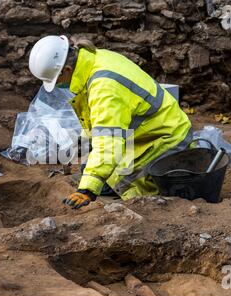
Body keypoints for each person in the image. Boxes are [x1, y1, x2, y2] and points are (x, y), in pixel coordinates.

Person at [29, 35, 193, 210]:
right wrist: (80, 146)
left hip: (165, 139)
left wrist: (87, 190)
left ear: (67, 70)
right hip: (144, 133)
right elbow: (100, 121)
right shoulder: (94, 59)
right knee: (90, 169)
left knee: (116, 185)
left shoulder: (104, 87)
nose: (58, 85)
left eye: (56, 80)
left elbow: (109, 142)